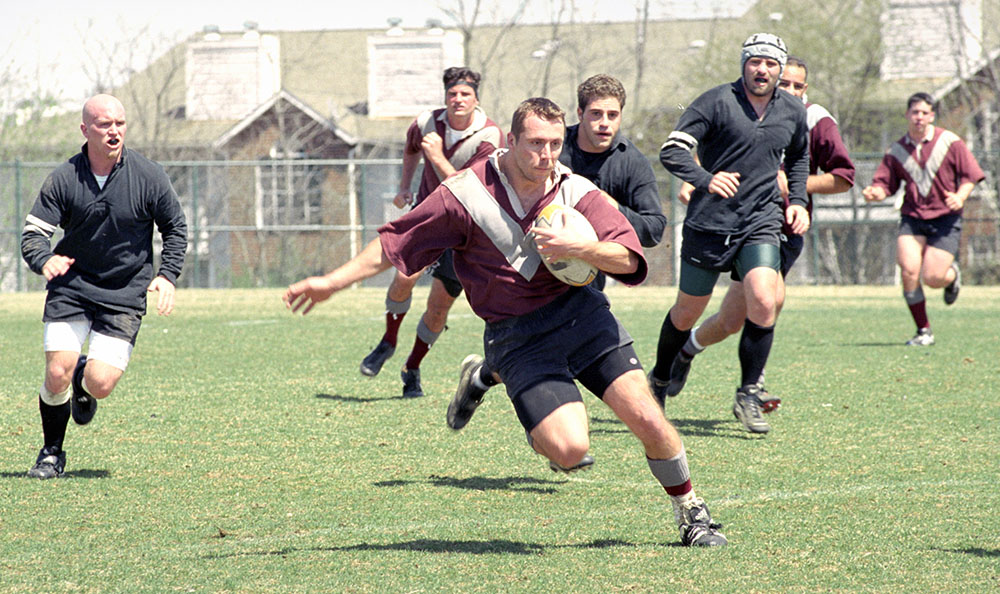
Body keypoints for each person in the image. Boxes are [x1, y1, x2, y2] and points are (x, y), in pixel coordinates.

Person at [285, 98, 727, 547]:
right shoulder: (465, 194)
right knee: (570, 450)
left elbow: (628, 257)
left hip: (584, 318)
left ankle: (691, 511)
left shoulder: (574, 190)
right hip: (518, 336)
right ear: (510, 141)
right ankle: (495, 375)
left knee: (647, 416)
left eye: (555, 144)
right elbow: (395, 243)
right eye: (535, 143)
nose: (547, 155)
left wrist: (580, 247)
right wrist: (330, 282)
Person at [446, 74, 667, 455]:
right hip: (525, 283)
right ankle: (549, 425)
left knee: (571, 350)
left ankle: (483, 377)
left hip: (586, 277)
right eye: (595, 113)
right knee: (539, 351)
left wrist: (612, 215)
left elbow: (654, 227)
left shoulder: (631, 163)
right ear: (578, 114)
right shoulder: (547, 151)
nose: (604, 123)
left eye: (612, 115)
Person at [663, 55, 856, 423]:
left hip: (782, 227)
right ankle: (735, 376)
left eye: (798, 86)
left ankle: (720, 368)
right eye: (786, 84)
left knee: (751, 310)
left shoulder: (815, 120)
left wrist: (794, 192)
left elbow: (844, 177)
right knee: (748, 310)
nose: (789, 91)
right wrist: (698, 181)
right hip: (733, 224)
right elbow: (718, 151)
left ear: (805, 90)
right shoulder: (741, 107)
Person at [648, 33, 810, 435]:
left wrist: (798, 201)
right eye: (756, 62)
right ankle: (659, 381)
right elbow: (672, 149)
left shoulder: (792, 110)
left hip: (762, 221)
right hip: (711, 224)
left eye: (771, 64)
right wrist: (705, 179)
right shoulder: (715, 102)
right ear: (744, 64)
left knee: (763, 299)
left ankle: (749, 394)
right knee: (687, 312)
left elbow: (800, 158)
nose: (763, 70)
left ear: (780, 68)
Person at [20, 94, 187, 479]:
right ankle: (51, 452)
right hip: (72, 287)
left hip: (124, 293)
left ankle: (84, 376)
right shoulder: (65, 178)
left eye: (119, 124)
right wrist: (44, 260)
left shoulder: (148, 176)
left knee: (100, 383)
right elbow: (33, 234)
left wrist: (167, 274)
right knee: (56, 370)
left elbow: (175, 228)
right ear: (85, 130)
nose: (114, 131)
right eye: (104, 124)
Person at [358, 67, 503, 399]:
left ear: (476, 98)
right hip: (428, 217)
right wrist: (404, 186)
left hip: (466, 229)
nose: (458, 99)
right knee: (404, 278)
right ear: (445, 97)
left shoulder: (490, 137)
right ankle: (388, 341)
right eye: (452, 93)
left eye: (465, 94)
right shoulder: (425, 123)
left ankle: (412, 368)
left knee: (439, 308)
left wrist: (436, 156)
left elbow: (468, 189)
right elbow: (411, 149)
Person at [862, 92, 984, 346]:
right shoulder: (897, 150)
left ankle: (951, 274)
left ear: (932, 116)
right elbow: (886, 184)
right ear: (907, 115)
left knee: (933, 277)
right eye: (915, 112)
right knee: (908, 271)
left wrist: (960, 197)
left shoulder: (950, 142)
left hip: (945, 218)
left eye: (924, 113)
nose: (919, 117)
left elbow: (970, 175)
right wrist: (876, 193)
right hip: (913, 216)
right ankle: (923, 331)